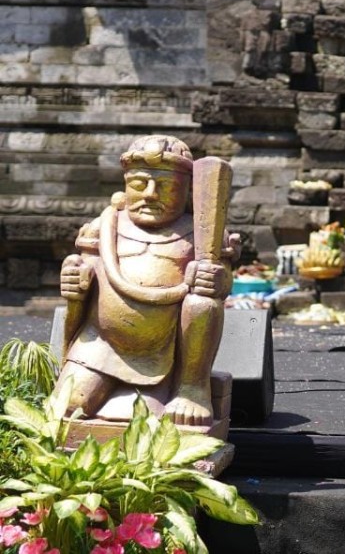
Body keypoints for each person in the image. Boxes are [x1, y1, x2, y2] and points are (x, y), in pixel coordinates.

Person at [51, 135, 234, 427]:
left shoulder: (200, 235)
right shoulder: (105, 225)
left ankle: (191, 388)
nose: (150, 194)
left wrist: (215, 279)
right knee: (68, 407)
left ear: (186, 191)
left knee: (203, 299)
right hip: (101, 344)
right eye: (139, 184)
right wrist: (75, 276)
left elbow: (222, 284)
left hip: (164, 350)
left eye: (166, 186)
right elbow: (84, 269)